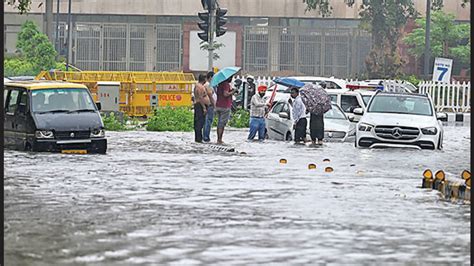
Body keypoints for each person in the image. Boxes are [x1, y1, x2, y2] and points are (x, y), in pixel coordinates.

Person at [215, 76, 236, 144]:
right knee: (222, 124)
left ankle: (219, 139)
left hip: (218, 105)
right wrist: (233, 91)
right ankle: (219, 139)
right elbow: (225, 94)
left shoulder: (220, 84)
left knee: (219, 123)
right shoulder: (226, 84)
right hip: (225, 106)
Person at [193, 74, 210, 143]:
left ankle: (198, 138)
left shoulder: (198, 86)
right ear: (204, 79)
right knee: (199, 122)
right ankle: (198, 139)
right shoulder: (200, 87)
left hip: (199, 105)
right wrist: (204, 108)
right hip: (200, 105)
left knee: (199, 122)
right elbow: (200, 97)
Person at [203, 71, 216, 142]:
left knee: (207, 121)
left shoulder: (207, 84)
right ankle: (206, 137)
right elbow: (210, 95)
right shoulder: (208, 85)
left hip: (208, 104)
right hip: (209, 105)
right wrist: (214, 104)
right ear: (210, 77)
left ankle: (205, 136)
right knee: (208, 121)